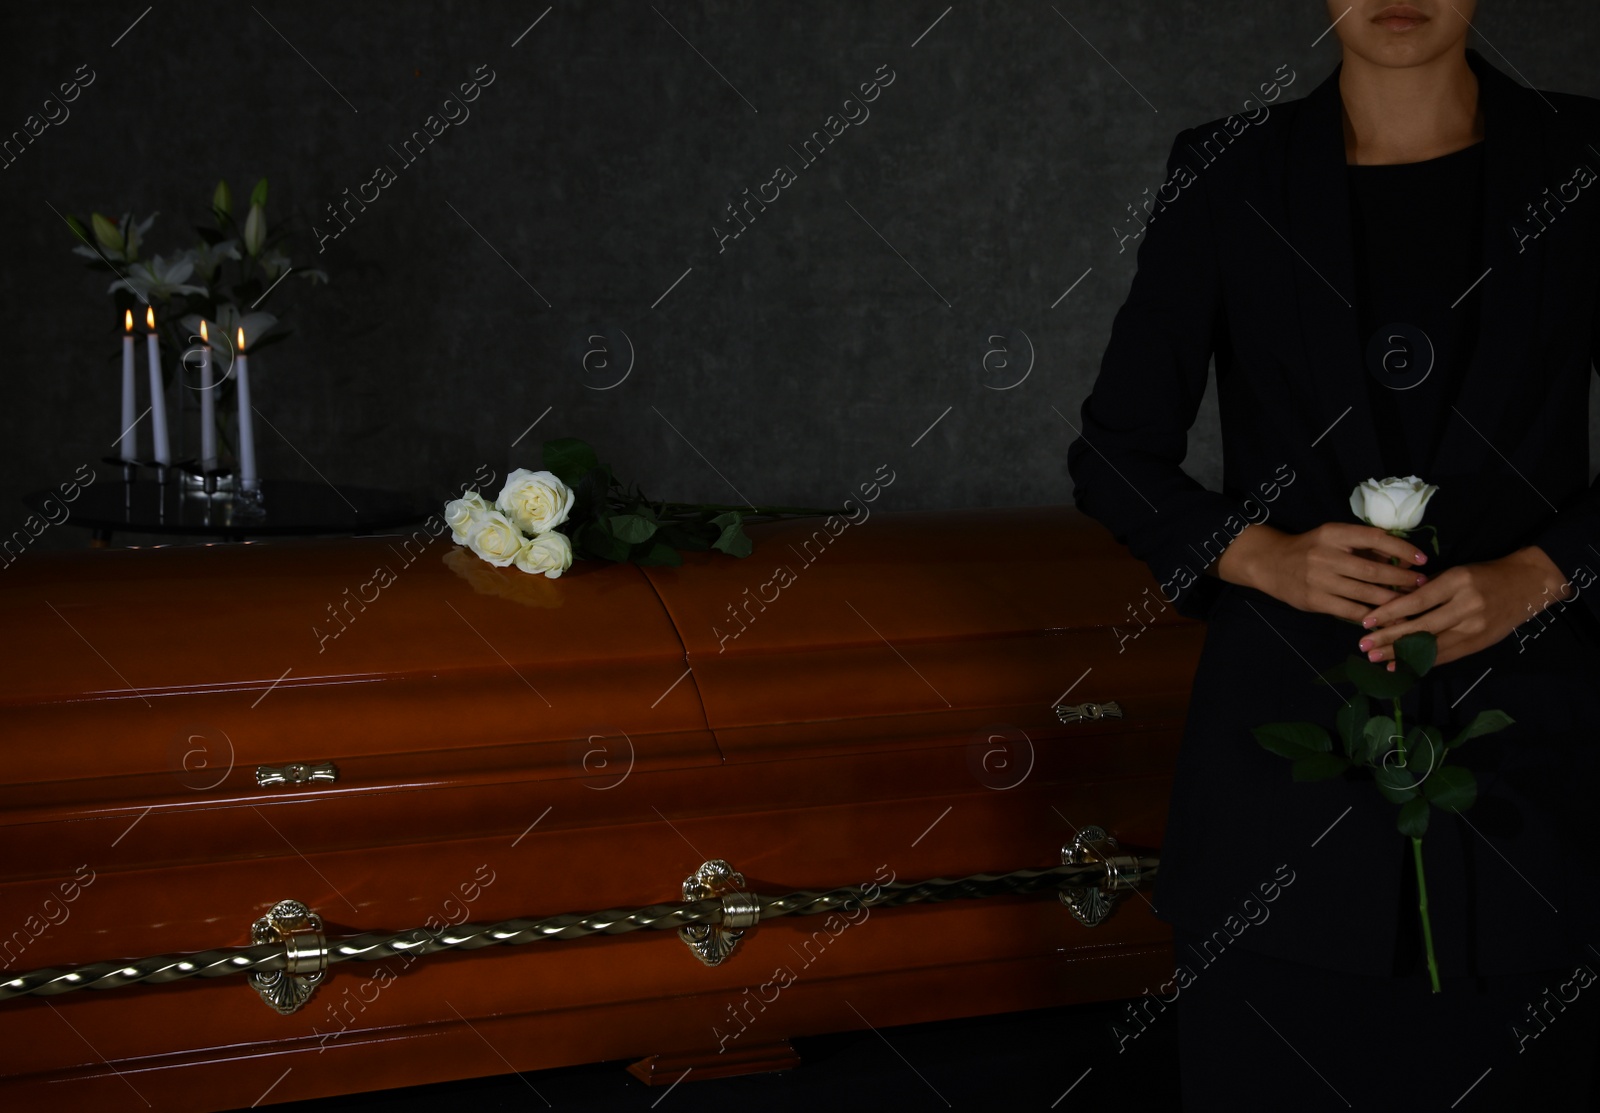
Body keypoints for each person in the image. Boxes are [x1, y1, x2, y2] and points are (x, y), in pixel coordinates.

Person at [1065, 1, 1600, 1107]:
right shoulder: (1225, 172)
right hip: (1276, 815)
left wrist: (1541, 575)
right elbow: (1115, 452)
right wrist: (1256, 555)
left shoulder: (1587, 159)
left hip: (1540, 796)